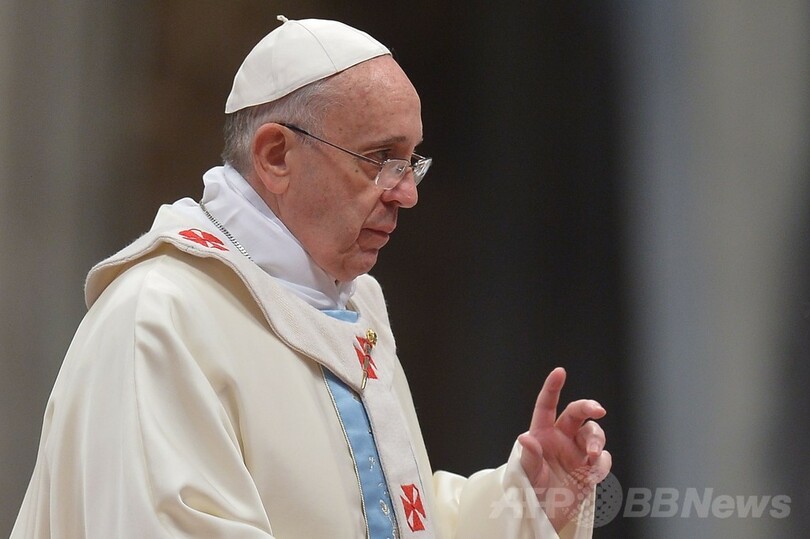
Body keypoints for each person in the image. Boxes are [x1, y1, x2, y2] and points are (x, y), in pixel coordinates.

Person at [11, 16, 610, 539]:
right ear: (276, 156)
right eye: (381, 160)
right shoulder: (161, 317)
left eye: (412, 162)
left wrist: (524, 507)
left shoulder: (353, 306)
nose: (406, 193)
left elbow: (391, 518)